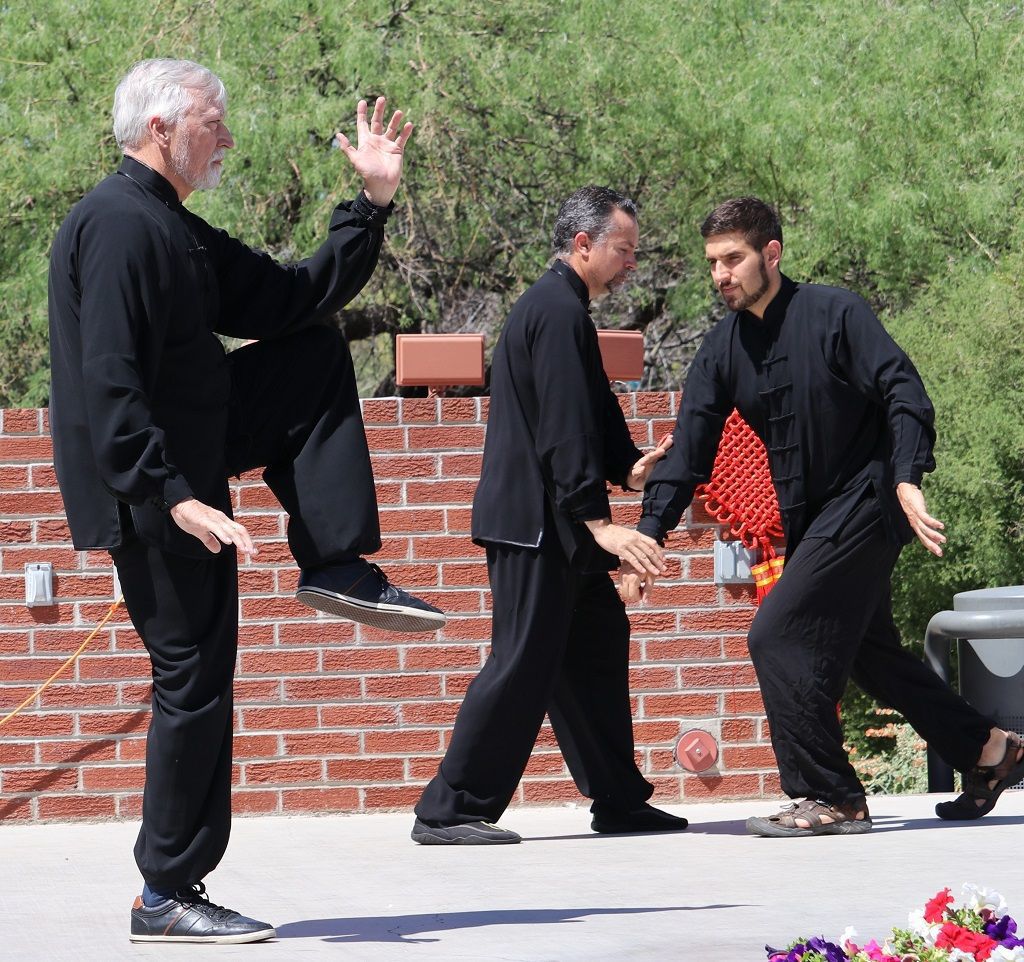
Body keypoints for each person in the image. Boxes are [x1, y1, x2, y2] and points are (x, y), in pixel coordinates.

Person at [48, 58, 443, 943]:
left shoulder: (173, 228)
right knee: (191, 682)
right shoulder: (113, 225)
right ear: (161, 130)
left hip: (187, 464)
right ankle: (167, 892)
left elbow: (290, 296)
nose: (225, 138)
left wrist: (370, 205)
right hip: (151, 489)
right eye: (212, 122)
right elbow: (105, 381)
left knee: (311, 350)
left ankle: (339, 561)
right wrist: (172, 495)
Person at [633, 196, 1024, 838]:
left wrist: (906, 477)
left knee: (775, 634)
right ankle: (991, 750)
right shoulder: (722, 348)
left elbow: (904, 391)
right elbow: (690, 448)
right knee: (869, 656)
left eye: (733, 259)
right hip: (814, 520)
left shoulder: (836, 313)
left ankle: (830, 796)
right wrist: (649, 531)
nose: (720, 275)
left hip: (869, 502)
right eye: (712, 263)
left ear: (772, 254)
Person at [411, 186, 690, 845]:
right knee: (522, 662)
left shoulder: (564, 310)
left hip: (558, 524)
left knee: (594, 650)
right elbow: (562, 430)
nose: (630, 265)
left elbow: (588, 408)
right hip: (538, 526)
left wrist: (628, 466)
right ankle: (448, 809)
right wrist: (599, 521)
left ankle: (619, 799)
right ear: (583, 244)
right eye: (623, 250)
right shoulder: (556, 311)